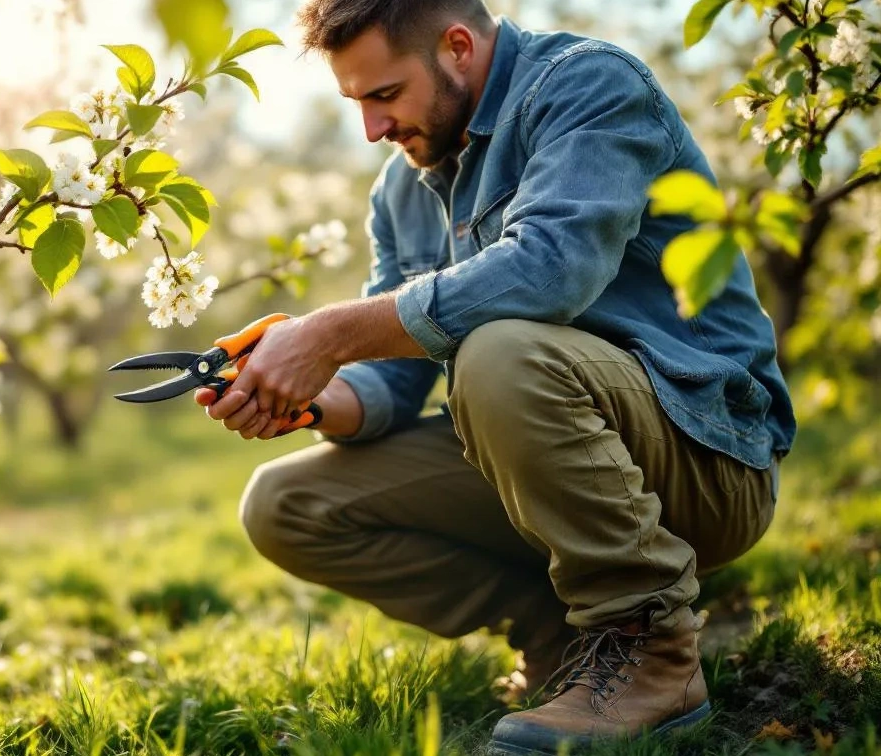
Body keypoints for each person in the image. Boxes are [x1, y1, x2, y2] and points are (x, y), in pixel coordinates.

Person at [192, 0, 795, 752]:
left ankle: (651, 649)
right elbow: (390, 386)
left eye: (386, 95)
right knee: (284, 504)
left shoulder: (588, 86)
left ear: (457, 46)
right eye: (356, 102)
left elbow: (550, 273)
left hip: (705, 457)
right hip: (543, 449)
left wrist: (328, 333)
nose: (373, 129)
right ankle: (561, 638)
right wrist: (306, 397)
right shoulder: (402, 190)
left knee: (497, 350)